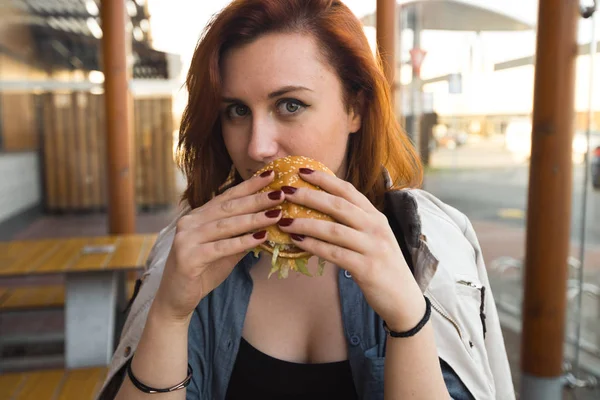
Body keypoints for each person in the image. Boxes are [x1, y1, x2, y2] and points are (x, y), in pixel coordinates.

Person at [98, 0, 514, 399]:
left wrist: (409, 317)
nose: (258, 146)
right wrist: (170, 316)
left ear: (356, 108)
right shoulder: (188, 250)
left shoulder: (429, 246)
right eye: (237, 111)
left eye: (290, 105)